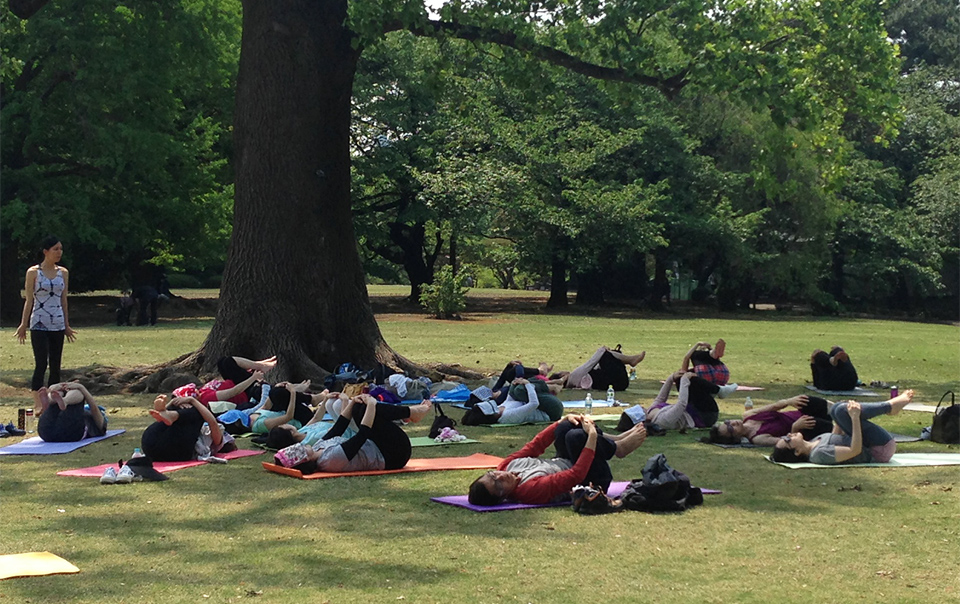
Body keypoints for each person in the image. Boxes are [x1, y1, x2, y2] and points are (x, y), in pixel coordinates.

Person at [467, 415, 647, 506]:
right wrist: (591, 434)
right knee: (576, 436)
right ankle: (618, 448)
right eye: (498, 486)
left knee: (567, 427)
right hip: (590, 481)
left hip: (567, 459)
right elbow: (577, 474)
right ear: (503, 497)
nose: (499, 477)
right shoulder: (528, 491)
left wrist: (562, 420)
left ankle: (612, 440)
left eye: (492, 476)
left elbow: (536, 445)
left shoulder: (505, 465)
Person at [272, 395, 431, 474]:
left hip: (379, 445)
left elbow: (339, 427)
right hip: (394, 455)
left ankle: (411, 413)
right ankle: (413, 412)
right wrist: (371, 405)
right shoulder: (330, 460)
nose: (300, 446)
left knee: (359, 408)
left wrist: (354, 401)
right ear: (304, 459)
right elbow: (362, 435)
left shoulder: (317, 447)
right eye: (299, 449)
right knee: (370, 410)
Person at [16, 236, 76, 415]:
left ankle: (53, 402)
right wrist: (23, 324)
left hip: (57, 322)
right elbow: (29, 300)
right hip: (39, 323)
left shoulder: (63, 273)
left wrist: (66, 324)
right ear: (46, 252)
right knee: (41, 363)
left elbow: (63, 300)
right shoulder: (34, 272)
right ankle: (38, 405)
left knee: (56, 365)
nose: (59, 252)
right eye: (55, 249)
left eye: (61, 249)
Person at [771, 390, 914, 465]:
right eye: (787, 440)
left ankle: (890, 407)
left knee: (837, 410)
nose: (788, 435)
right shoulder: (819, 455)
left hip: (871, 443)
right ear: (797, 452)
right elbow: (854, 450)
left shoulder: (814, 442)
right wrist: (854, 417)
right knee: (840, 411)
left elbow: (836, 435)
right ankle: (890, 406)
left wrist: (840, 417)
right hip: (879, 449)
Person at [706, 395, 833, 446]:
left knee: (804, 400)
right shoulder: (757, 438)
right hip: (804, 427)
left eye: (727, 422)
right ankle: (841, 427)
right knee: (810, 422)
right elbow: (787, 442)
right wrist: (795, 427)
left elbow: (775, 406)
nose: (732, 423)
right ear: (736, 438)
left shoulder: (748, 415)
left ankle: (839, 408)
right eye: (730, 428)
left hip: (800, 413)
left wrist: (790, 401)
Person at [142, 394, 230, 461]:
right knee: (183, 410)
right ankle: (167, 412)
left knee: (196, 412)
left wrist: (193, 401)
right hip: (154, 443)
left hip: (151, 446)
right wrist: (174, 402)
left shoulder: (218, 438)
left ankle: (168, 413)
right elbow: (161, 422)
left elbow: (213, 422)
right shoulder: (188, 430)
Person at [645, 371, 739, 430]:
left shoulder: (649, 411)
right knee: (689, 380)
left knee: (681, 377)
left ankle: (714, 390)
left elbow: (660, 398)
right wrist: (685, 380)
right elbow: (681, 404)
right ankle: (719, 391)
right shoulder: (662, 421)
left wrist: (672, 378)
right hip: (705, 416)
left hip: (694, 407)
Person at [461, 378, 564, 425]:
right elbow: (534, 404)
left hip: (544, 405)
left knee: (517, 388)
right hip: (551, 411)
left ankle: (552, 386)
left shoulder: (499, 408)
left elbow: (510, 398)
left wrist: (514, 383)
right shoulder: (508, 416)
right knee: (520, 390)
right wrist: (528, 384)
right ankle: (552, 387)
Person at [35, 383, 108, 443]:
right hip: (64, 432)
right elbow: (93, 407)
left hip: (46, 433)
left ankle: (53, 400)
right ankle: (57, 399)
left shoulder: (99, 424)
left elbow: (94, 408)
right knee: (59, 393)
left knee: (78, 393)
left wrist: (81, 388)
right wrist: (61, 386)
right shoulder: (80, 414)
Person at [555, 346, 645, 392]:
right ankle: (630, 360)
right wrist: (601, 350)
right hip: (618, 381)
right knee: (605, 355)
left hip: (619, 385)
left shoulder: (575, 383)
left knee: (609, 355)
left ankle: (630, 360)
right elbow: (590, 363)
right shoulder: (573, 377)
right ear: (561, 375)